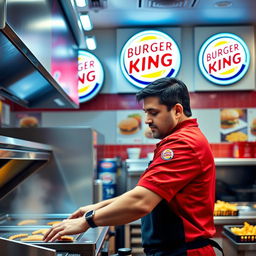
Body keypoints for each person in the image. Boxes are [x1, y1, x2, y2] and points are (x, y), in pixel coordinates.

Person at [43, 77, 220, 256]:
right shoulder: (182, 139)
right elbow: (146, 193)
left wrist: (87, 221)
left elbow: (141, 202)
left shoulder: (183, 144)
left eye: (153, 112)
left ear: (177, 110)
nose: (147, 120)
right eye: (145, 112)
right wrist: (95, 208)